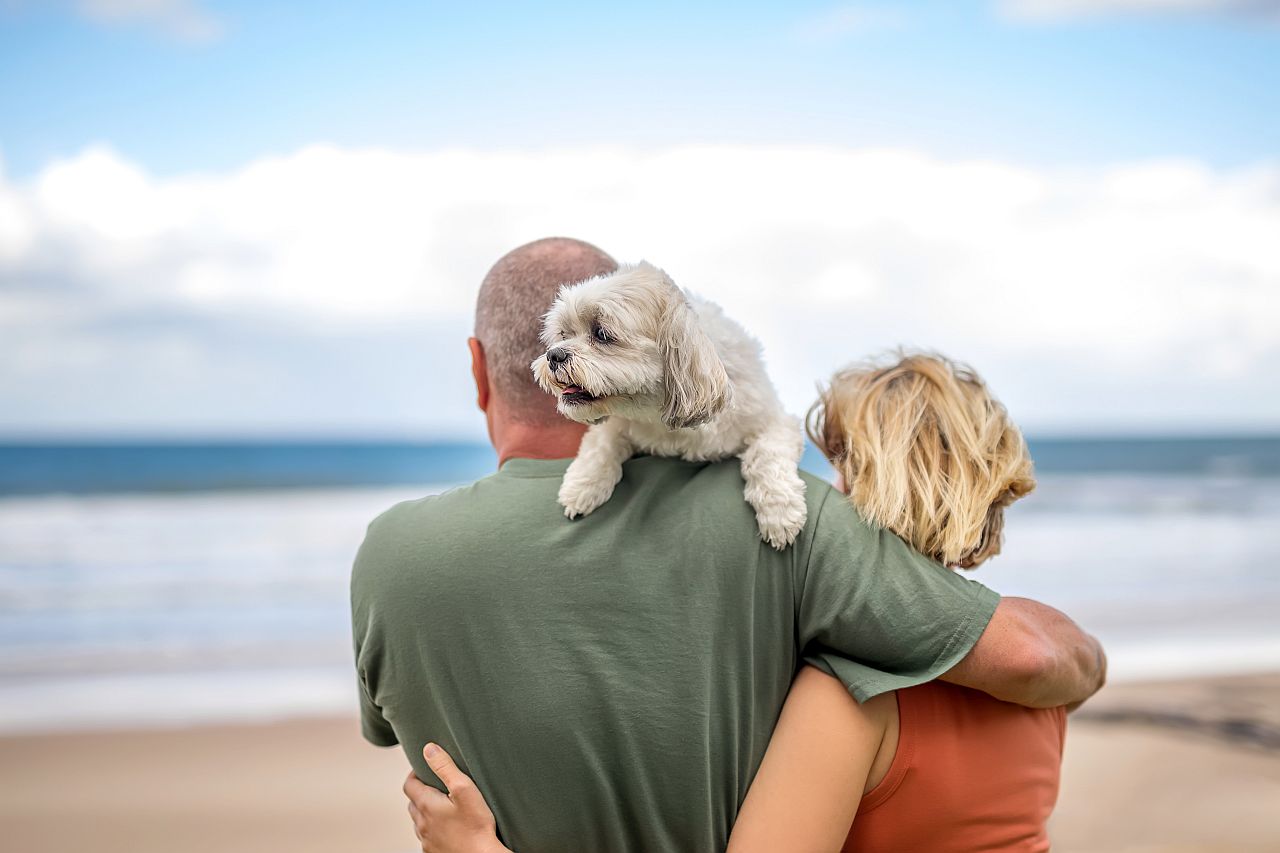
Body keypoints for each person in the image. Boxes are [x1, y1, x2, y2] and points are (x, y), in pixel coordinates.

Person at [353, 237, 1105, 853]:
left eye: (836, 460)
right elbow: (1035, 658)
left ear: (478, 371)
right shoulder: (1038, 688)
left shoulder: (847, 692)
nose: (826, 486)